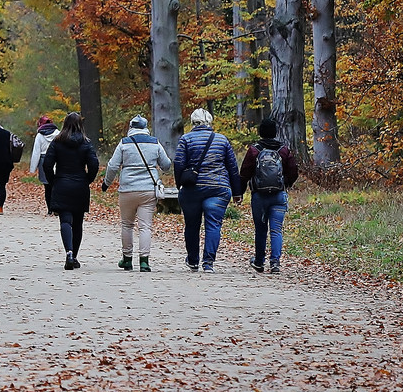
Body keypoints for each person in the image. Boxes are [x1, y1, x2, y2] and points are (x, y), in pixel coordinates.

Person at [172, 108, 242, 272]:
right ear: (210, 122)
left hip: (192, 189)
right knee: (213, 225)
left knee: (191, 225)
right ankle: (208, 262)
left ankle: (193, 260)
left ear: (193, 122)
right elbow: (232, 167)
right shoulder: (222, 140)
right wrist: (237, 192)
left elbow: (179, 164)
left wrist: (179, 185)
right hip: (218, 188)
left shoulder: (186, 139)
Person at [100, 116, 171, 272]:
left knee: (127, 224)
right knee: (145, 226)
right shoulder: (154, 142)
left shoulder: (124, 143)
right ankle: (144, 261)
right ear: (146, 127)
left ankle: (127, 259)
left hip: (127, 190)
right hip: (148, 190)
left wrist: (106, 183)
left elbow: (112, 166)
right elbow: (166, 165)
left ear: (131, 127)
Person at [240, 118, 299, 273]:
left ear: (260, 132)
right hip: (279, 195)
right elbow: (294, 172)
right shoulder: (283, 150)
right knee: (276, 230)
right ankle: (275, 263)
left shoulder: (254, 150)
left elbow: (244, 173)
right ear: (275, 132)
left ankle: (259, 262)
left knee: (260, 229)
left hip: (259, 196)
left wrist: (238, 192)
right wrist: (285, 183)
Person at [41, 112, 98, 269]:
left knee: (65, 220)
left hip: (62, 183)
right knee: (78, 223)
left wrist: (53, 181)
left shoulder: (57, 142)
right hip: (80, 185)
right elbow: (94, 165)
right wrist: (87, 180)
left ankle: (69, 253)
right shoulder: (86, 143)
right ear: (80, 124)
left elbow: (47, 164)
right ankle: (75, 256)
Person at [29, 114, 58, 214]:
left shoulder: (40, 135)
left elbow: (36, 152)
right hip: (56, 160)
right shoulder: (58, 133)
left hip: (43, 160)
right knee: (56, 185)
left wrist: (33, 168)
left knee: (47, 186)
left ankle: (50, 209)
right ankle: (56, 208)